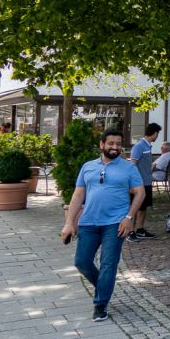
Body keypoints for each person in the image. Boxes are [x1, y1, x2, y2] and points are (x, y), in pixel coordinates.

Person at [60, 130, 144, 322]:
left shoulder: (128, 168)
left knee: (108, 264)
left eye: (118, 143)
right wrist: (68, 223)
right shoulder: (88, 167)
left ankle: (100, 304)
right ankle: (103, 286)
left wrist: (129, 217)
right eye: (111, 143)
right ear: (102, 144)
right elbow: (78, 195)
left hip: (115, 223)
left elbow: (140, 193)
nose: (115, 147)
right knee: (81, 262)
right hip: (88, 222)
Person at [127, 122, 162, 241]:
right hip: (138, 183)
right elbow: (132, 164)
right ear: (155, 133)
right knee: (134, 207)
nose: (157, 137)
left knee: (143, 207)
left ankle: (140, 229)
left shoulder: (147, 146)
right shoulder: (139, 146)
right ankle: (130, 232)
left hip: (147, 182)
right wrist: (133, 181)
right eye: (158, 134)